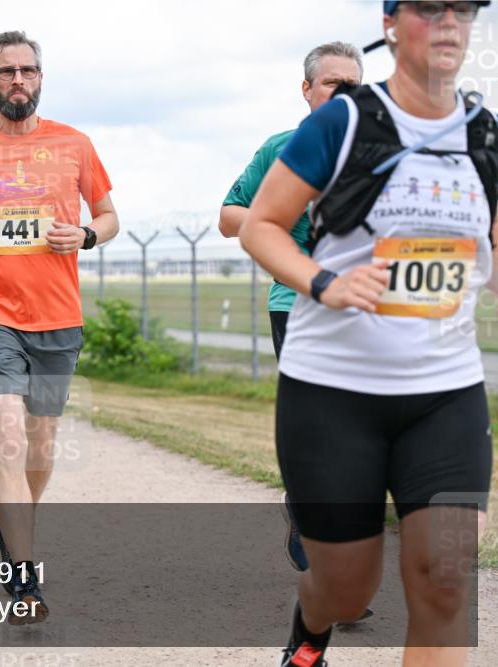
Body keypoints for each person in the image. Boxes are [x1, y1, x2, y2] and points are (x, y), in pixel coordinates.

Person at [239, 2, 496, 665]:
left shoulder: (484, 137)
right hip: (333, 391)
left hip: (446, 394)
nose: (449, 23)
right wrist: (324, 281)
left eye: (462, 10)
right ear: (389, 24)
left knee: (445, 583)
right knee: (348, 590)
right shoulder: (344, 122)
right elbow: (259, 224)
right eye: (429, 9)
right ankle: (312, 628)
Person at [0, 30, 118, 624]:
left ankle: (11, 531)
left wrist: (86, 236)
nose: (19, 80)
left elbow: (110, 217)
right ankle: (25, 576)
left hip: (59, 316)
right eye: (7, 71)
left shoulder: (76, 145)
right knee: (9, 436)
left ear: (41, 79)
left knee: (40, 443)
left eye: (29, 71)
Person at [218, 40, 373, 624]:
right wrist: (280, 214)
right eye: (332, 83)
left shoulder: (385, 151)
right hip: (298, 304)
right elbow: (231, 216)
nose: (344, 93)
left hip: (368, 308)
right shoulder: (282, 150)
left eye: (354, 84)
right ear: (307, 90)